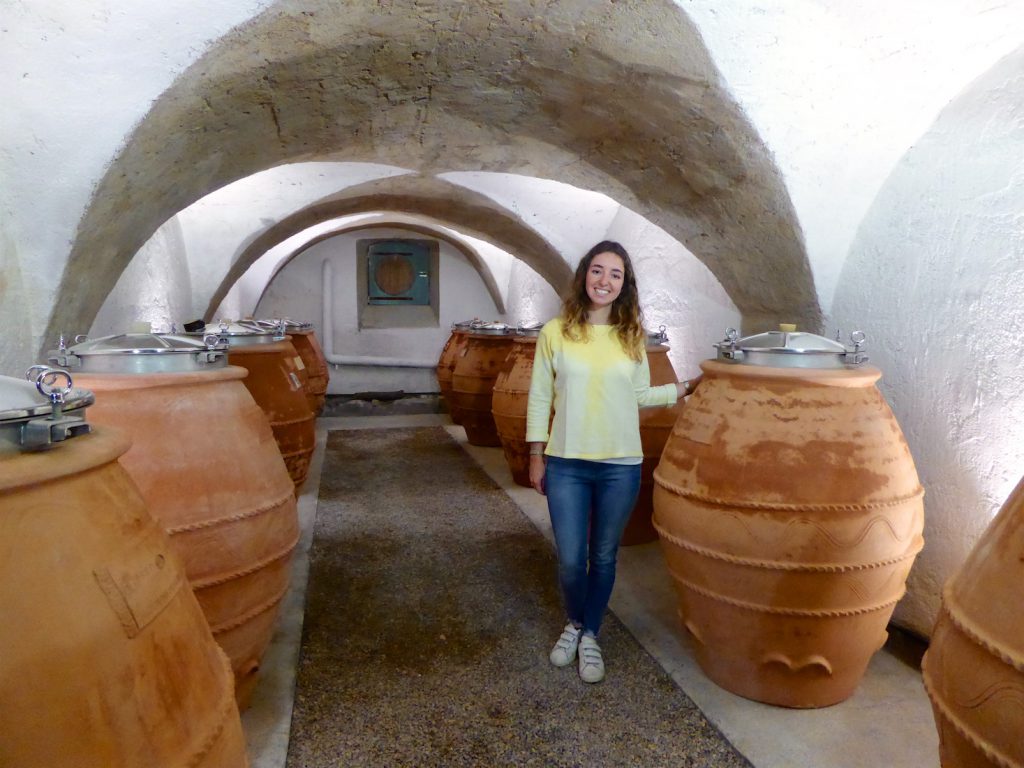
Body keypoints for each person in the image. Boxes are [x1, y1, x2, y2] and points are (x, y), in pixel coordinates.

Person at [525, 240, 700, 684]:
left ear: (625, 286)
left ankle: (591, 634)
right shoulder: (555, 332)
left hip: (620, 464)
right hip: (566, 462)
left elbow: (639, 395)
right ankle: (575, 622)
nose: (605, 281)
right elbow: (540, 395)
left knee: (603, 557)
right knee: (570, 558)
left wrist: (686, 389)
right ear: (585, 275)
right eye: (598, 271)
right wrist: (535, 453)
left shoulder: (631, 337)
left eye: (615, 275)